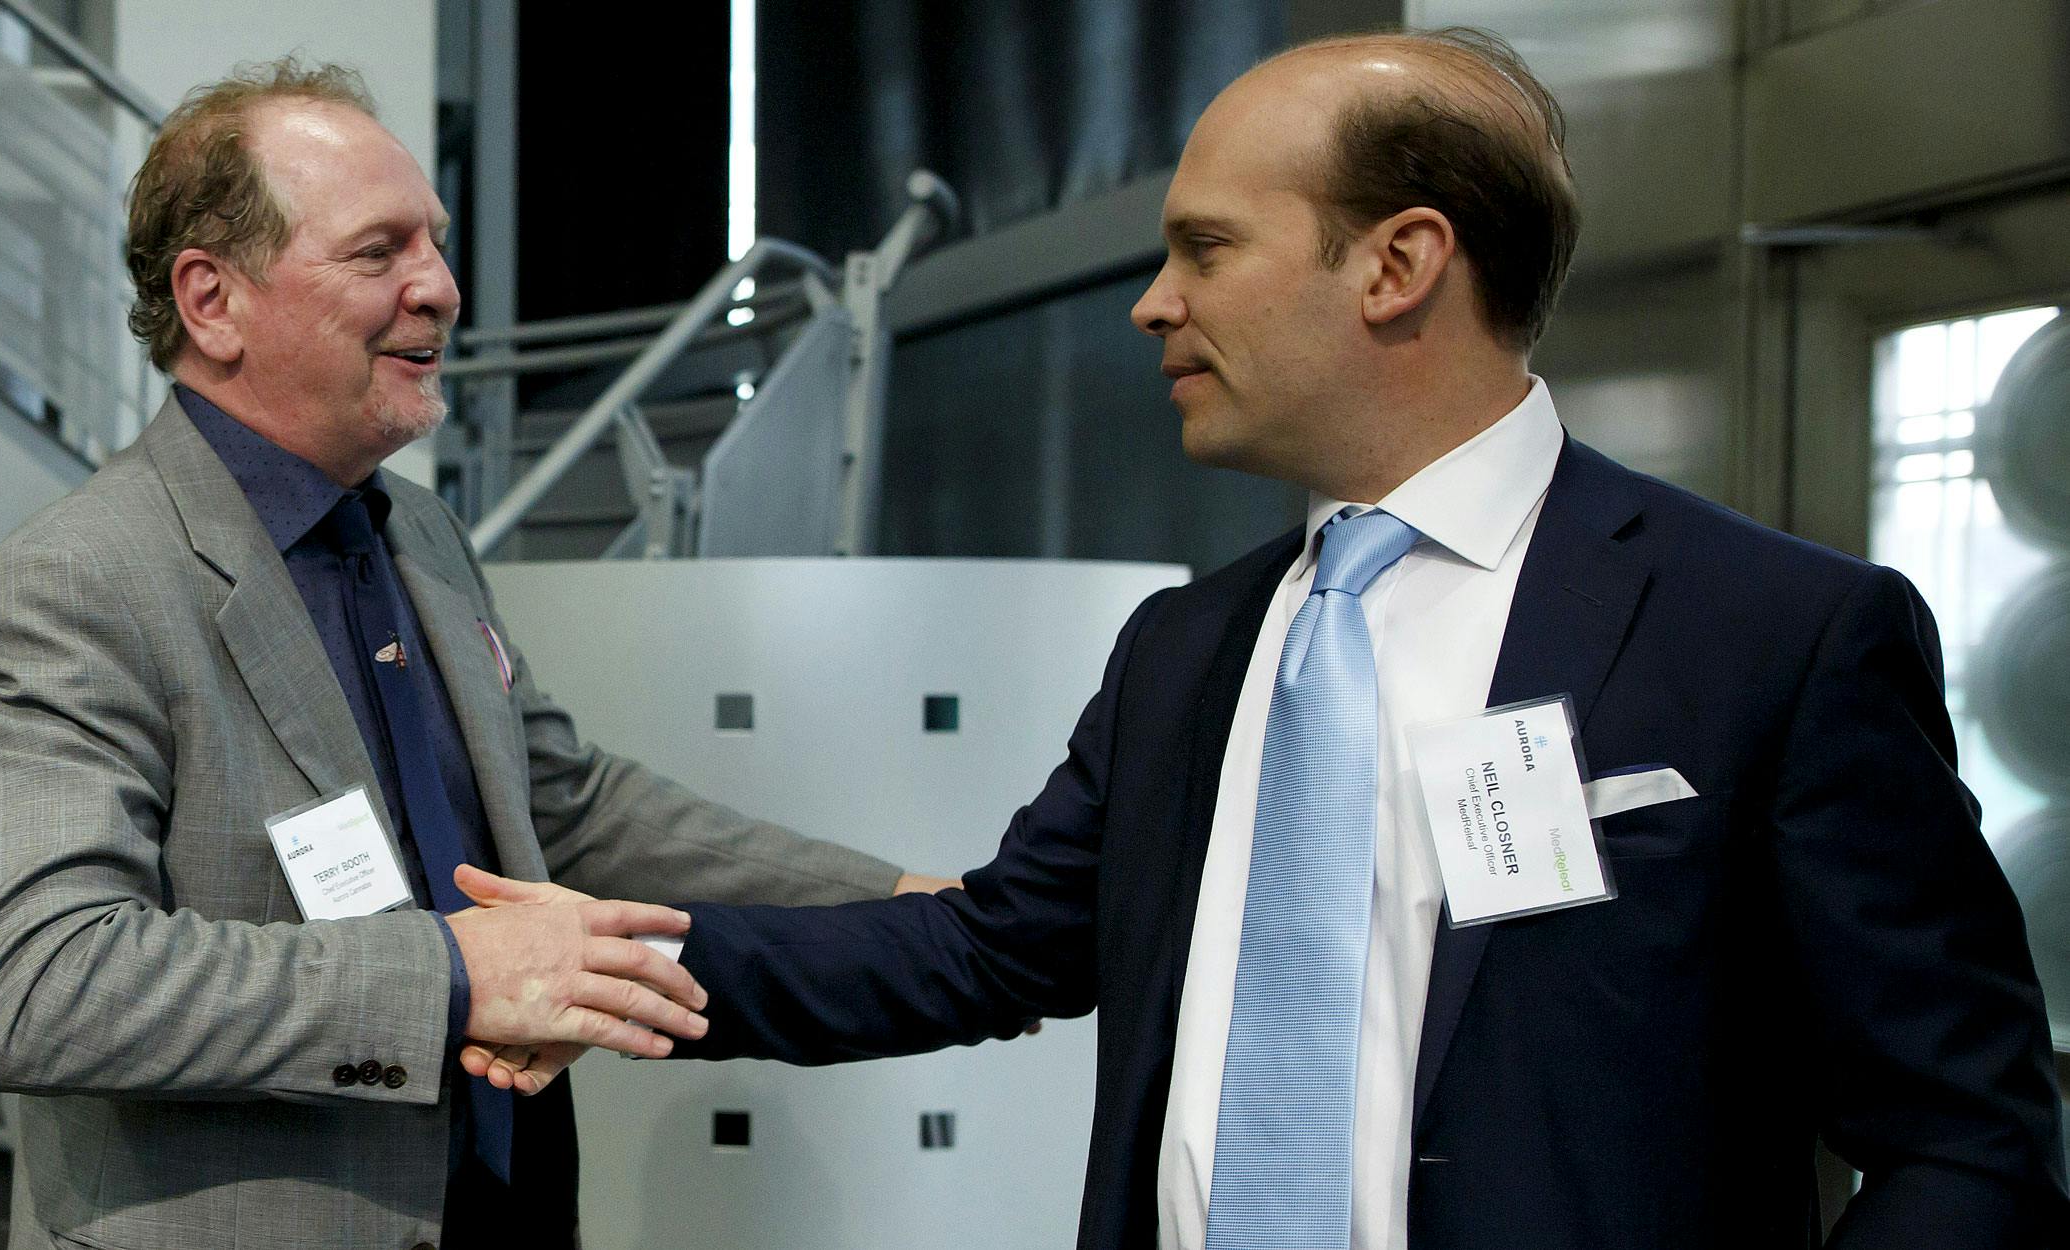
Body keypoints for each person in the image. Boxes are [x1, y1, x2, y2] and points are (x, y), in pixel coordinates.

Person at [464, 27, 2068, 1250]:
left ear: (1400, 263)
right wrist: (599, 962)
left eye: (1207, 248)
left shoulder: (1772, 634)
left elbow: (1968, 1137)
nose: (1155, 303)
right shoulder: (1187, 650)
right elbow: (985, 944)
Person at [0, 59, 950, 1250]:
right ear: (211, 301)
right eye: (380, 252)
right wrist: (453, 975)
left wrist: (900, 905)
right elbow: (37, 985)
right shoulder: (77, 581)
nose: (442, 288)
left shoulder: (416, 528)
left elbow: (563, 802)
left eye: (437, 243)